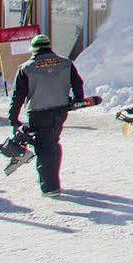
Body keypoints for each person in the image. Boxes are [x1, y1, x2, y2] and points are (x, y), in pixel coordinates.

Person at [8, 33, 86, 197]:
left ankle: (50, 187)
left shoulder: (26, 68)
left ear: (34, 50)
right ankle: (51, 178)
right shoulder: (66, 63)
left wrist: (13, 118)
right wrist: (78, 99)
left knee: (44, 148)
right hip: (60, 111)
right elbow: (78, 83)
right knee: (53, 143)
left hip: (38, 112)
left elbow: (18, 96)